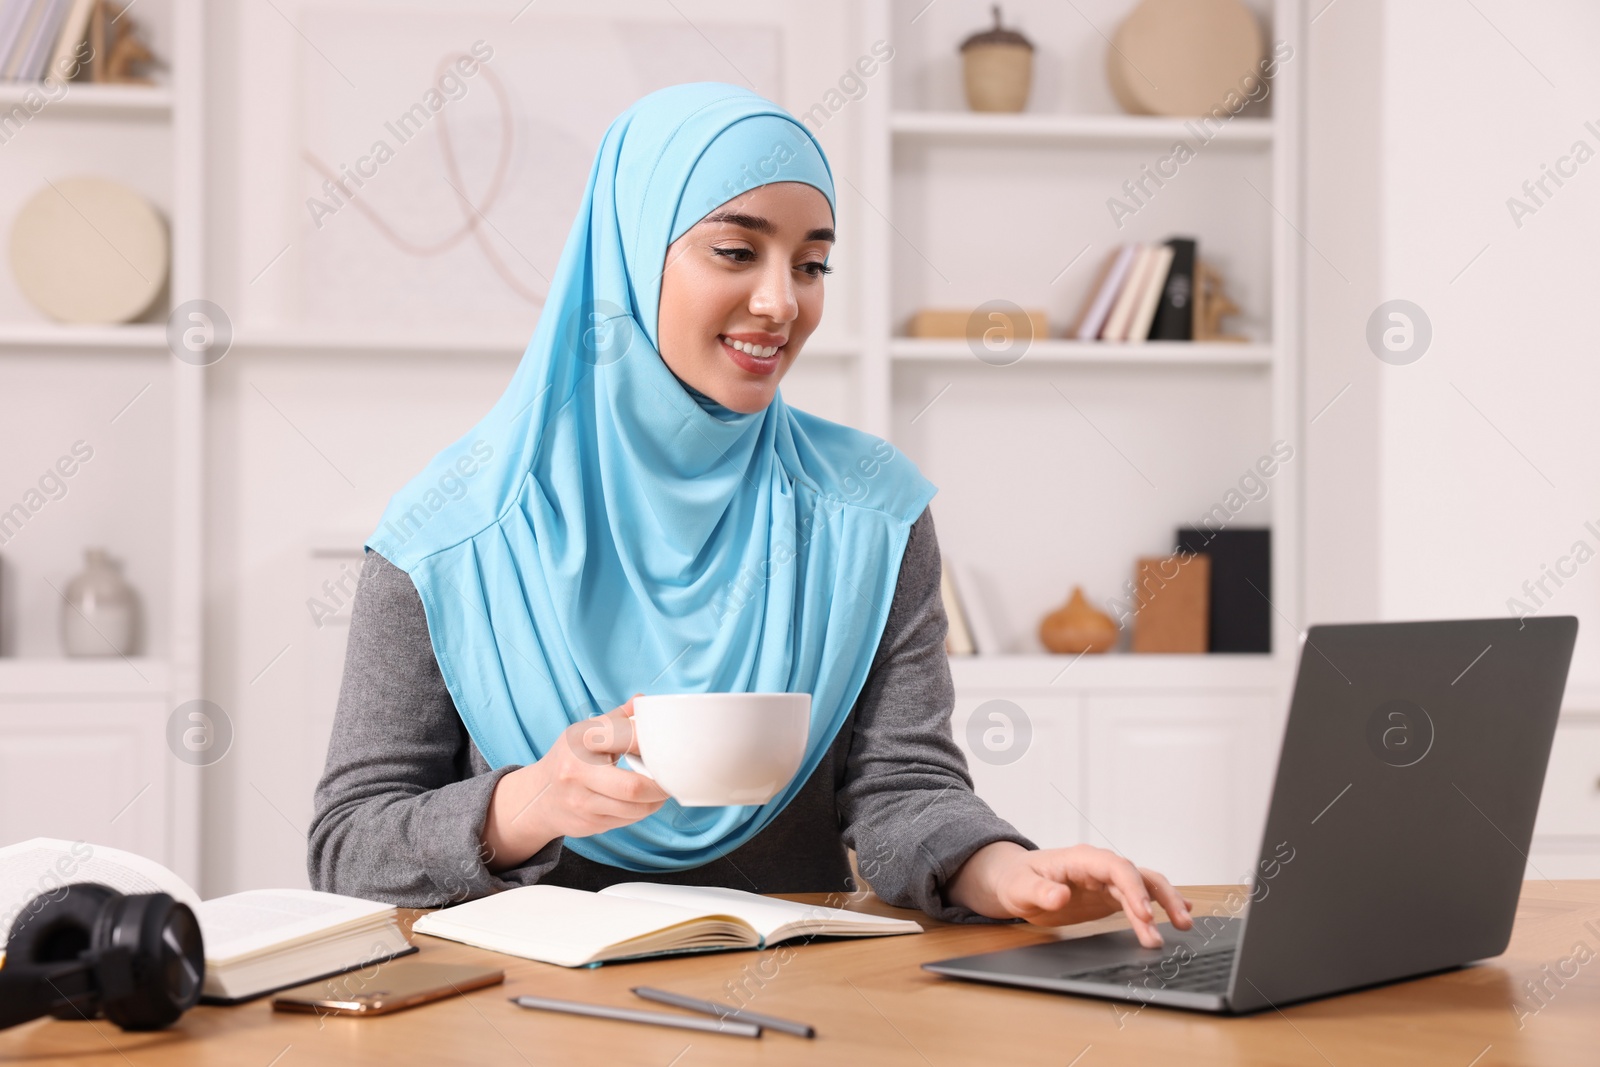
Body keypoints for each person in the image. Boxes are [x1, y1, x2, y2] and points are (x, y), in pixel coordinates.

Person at [308, 82, 1192, 949]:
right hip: (525, 1021)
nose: (782, 302)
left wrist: (1002, 870)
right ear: (629, 256)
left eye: (812, 264)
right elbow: (347, 846)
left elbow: (903, 789)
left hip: (800, 1013)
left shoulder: (870, 514)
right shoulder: (450, 534)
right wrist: (525, 805)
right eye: (737, 252)